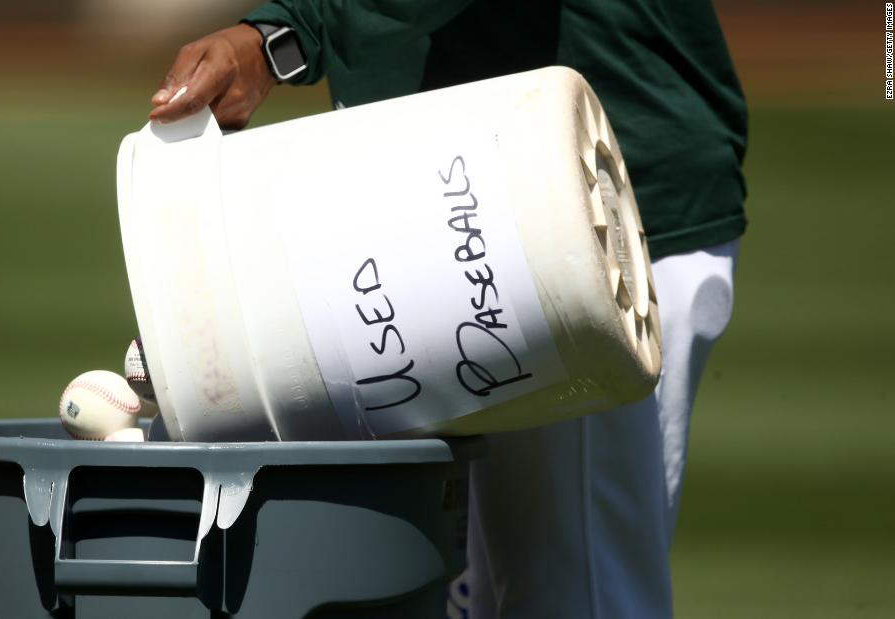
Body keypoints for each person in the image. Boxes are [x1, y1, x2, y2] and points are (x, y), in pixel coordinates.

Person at [148, 1, 747, 616]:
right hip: (464, 205)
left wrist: (282, 37)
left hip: (578, 216)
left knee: (574, 597)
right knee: (477, 596)